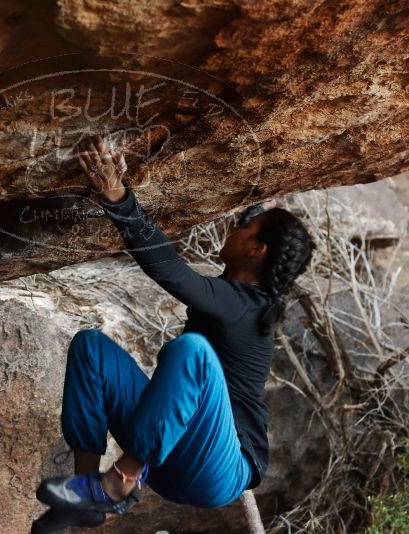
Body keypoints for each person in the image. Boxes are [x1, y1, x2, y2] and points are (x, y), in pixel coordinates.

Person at [32, 135, 315, 533]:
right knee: (90, 348)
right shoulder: (234, 297)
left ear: (257, 250)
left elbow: (169, 270)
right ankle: (83, 496)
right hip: (166, 456)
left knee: (194, 352)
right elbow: (253, 222)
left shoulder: (244, 306)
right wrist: (260, 202)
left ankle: (118, 484)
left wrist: (117, 197)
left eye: (244, 228)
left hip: (219, 469)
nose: (234, 230)